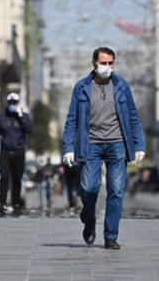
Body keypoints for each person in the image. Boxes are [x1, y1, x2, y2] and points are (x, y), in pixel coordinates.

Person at [62, 46, 145, 250]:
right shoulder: (81, 87)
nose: (107, 67)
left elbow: (133, 117)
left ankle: (110, 236)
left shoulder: (122, 86)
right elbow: (72, 119)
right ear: (94, 63)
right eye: (103, 63)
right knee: (89, 188)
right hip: (90, 144)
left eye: (110, 63)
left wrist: (139, 145)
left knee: (116, 190)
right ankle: (89, 219)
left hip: (117, 144)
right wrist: (68, 148)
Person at [0, 92, 33, 214]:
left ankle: (16, 203)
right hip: (5, 152)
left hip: (19, 152)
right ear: (7, 103)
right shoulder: (1, 118)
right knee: (4, 177)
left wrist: (20, 116)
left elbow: (29, 129)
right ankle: (2, 203)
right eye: (10, 103)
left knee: (17, 179)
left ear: (18, 103)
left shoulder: (24, 116)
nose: (12, 105)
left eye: (15, 103)